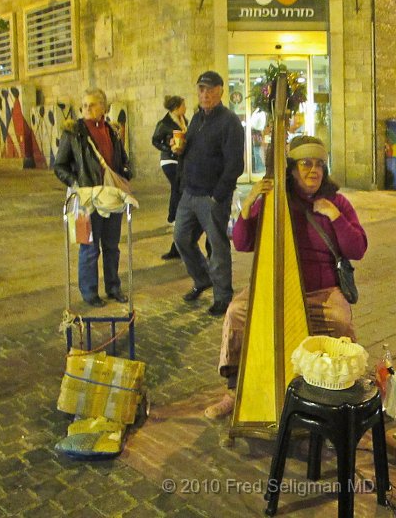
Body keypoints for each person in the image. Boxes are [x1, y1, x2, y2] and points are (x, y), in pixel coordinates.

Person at [204, 135, 367, 418]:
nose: (313, 171)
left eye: (319, 164)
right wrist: (248, 205)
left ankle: (341, 396)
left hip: (322, 290)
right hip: (274, 286)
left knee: (341, 322)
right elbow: (243, 243)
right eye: (305, 164)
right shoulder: (275, 201)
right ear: (291, 169)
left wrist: (336, 216)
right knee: (236, 313)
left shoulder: (337, 201)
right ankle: (235, 390)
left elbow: (358, 248)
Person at [172, 70, 244, 316]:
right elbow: (191, 149)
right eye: (201, 89)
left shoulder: (229, 122)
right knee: (181, 238)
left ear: (221, 91)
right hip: (189, 193)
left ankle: (223, 295)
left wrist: (218, 194)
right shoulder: (196, 118)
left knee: (217, 246)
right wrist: (180, 152)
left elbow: (235, 163)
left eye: (210, 89)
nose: (205, 94)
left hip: (211, 197)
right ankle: (202, 279)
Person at [54, 88, 132, 308]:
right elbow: (59, 166)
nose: (87, 109)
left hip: (111, 197)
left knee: (111, 246)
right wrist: (76, 184)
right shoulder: (73, 133)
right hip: (86, 200)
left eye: (92, 105)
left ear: (103, 108)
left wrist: (125, 172)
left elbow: (122, 160)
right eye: (84, 105)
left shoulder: (112, 131)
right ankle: (89, 292)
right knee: (89, 247)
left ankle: (113, 287)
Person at [152, 95, 188, 260]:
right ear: (177, 107)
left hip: (181, 160)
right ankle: (172, 214)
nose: (185, 107)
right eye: (183, 105)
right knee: (177, 185)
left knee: (180, 187)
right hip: (169, 160)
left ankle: (177, 222)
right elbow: (155, 140)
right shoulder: (165, 123)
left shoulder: (184, 120)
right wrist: (169, 146)